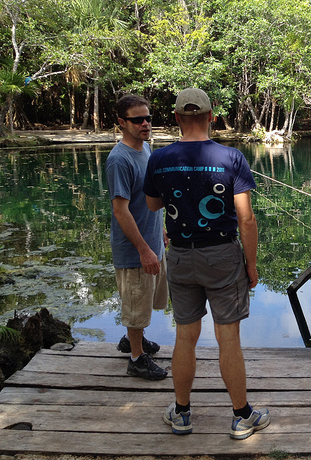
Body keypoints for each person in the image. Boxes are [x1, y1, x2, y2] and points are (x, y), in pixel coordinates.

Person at [143, 88, 270, 439]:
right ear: (211, 116)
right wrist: (252, 264)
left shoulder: (159, 158)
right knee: (228, 338)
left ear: (176, 118)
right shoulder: (231, 157)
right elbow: (246, 219)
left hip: (181, 256)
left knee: (185, 336)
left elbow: (153, 206)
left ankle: (182, 413)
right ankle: (242, 416)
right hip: (222, 256)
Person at [106, 94, 168, 381]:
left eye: (148, 118)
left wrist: (161, 231)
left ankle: (133, 341)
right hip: (134, 250)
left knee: (144, 303)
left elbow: (147, 200)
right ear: (122, 123)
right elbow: (121, 211)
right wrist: (143, 249)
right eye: (137, 119)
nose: (145, 124)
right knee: (136, 305)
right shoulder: (119, 159)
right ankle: (135, 358)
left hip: (153, 240)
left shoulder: (146, 150)